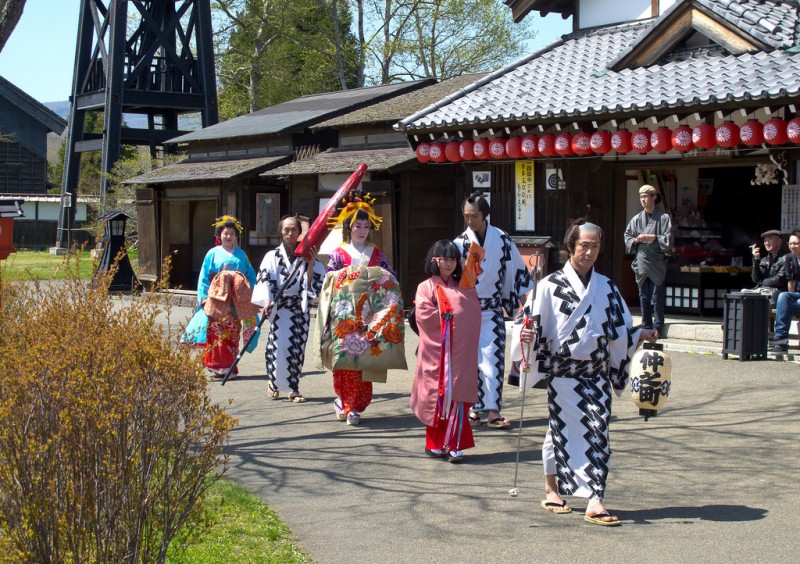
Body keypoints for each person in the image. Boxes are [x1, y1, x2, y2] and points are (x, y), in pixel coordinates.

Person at [520, 219, 658, 526]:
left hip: (596, 375)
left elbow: (621, 330)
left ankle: (595, 498)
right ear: (571, 246)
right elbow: (527, 324)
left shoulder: (606, 287)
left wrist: (639, 336)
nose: (589, 252)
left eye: (595, 246)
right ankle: (552, 487)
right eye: (584, 245)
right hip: (563, 373)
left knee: (597, 430)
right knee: (561, 431)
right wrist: (527, 337)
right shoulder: (549, 286)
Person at [454, 191, 533, 429]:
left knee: (494, 359)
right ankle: (473, 409)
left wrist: (526, 305)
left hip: (492, 309)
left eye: (474, 216)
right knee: (470, 362)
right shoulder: (459, 243)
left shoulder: (501, 238)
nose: (470, 221)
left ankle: (494, 411)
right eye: (466, 216)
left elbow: (517, 272)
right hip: (467, 309)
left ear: (485, 214)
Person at [324, 191, 394, 426]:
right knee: (346, 359)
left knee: (365, 360)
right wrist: (345, 275)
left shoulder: (376, 254)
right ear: (349, 227)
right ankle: (347, 403)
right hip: (344, 313)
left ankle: (355, 403)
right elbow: (328, 281)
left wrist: (381, 276)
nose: (362, 230)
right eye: (357, 226)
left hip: (369, 314)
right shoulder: (338, 254)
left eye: (365, 226)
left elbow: (389, 278)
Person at [410, 240, 481, 463]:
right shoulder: (426, 287)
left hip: (460, 354)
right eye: (444, 259)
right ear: (435, 260)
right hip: (437, 353)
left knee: (457, 397)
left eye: (452, 260)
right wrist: (445, 319)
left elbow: (473, 313)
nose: (449, 264)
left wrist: (456, 319)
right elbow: (423, 315)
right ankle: (434, 444)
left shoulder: (465, 286)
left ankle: (454, 444)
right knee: (437, 397)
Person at [252, 215, 325, 402]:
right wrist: (267, 301)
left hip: (299, 309)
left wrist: (310, 262)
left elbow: (312, 285)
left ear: (299, 232)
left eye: (294, 229)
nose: (290, 233)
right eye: (286, 229)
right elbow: (264, 280)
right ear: (281, 232)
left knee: (297, 348)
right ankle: (273, 383)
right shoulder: (272, 256)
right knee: (276, 346)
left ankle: (293, 388)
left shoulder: (307, 255)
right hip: (279, 307)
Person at [197, 215, 259, 379]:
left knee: (232, 333)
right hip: (217, 300)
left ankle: (230, 366)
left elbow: (251, 275)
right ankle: (217, 366)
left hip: (235, 302)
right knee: (216, 333)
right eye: (225, 233)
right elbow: (204, 276)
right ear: (219, 235)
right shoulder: (212, 253)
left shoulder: (241, 254)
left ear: (236, 236)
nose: (228, 236)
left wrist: (248, 292)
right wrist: (203, 297)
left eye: (232, 233)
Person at [624, 184, 673, 338]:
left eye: (646, 196)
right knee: (644, 295)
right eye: (641, 197)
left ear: (654, 197)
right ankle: (646, 324)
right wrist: (636, 240)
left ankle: (658, 325)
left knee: (657, 294)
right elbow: (627, 236)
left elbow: (669, 239)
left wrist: (655, 238)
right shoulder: (637, 219)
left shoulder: (664, 218)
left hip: (657, 260)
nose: (643, 200)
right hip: (642, 260)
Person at [768, 230, 800, 353]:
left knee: (788, 304)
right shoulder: (790, 258)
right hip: (797, 295)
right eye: (790, 243)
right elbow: (790, 281)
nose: (792, 246)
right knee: (784, 296)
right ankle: (781, 337)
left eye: (796, 243)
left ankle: (781, 341)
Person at [751, 229, 791, 299]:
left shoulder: (787, 258)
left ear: (779, 241)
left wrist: (761, 282)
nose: (767, 243)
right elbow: (755, 279)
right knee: (744, 292)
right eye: (765, 240)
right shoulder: (764, 260)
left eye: (770, 239)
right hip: (764, 290)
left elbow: (779, 280)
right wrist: (756, 259)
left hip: (778, 293)